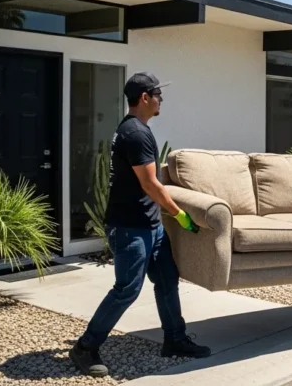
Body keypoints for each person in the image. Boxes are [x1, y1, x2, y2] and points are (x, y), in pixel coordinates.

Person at [69, 72, 210, 378]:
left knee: (166, 278)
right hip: (131, 226)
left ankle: (174, 339)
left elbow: (145, 179)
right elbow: (149, 183)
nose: (162, 100)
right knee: (126, 290)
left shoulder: (133, 130)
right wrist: (180, 214)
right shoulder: (135, 133)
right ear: (144, 98)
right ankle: (85, 347)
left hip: (149, 226)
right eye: (158, 94)